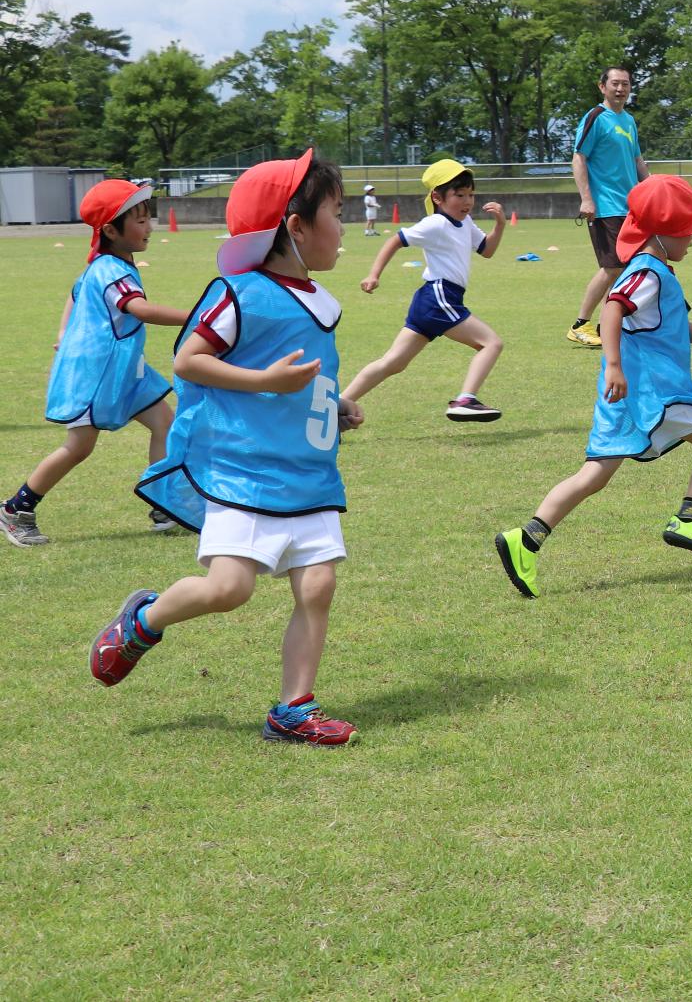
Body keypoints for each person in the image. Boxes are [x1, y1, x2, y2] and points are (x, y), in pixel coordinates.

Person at [109, 150, 362, 746]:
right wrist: (266, 383)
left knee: (318, 586)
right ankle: (143, 621)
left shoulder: (319, 301)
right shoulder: (238, 292)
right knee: (229, 590)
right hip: (245, 471)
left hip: (310, 473)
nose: (344, 225)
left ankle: (293, 707)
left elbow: (305, 374)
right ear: (295, 228)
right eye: (336, 212)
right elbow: (188, 360)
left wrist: (333, 405)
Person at [495, 176, 692, 599]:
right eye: (688, 232)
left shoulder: (656, 271)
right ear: (661, 233)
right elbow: (612, 308)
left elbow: (672, 326)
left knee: (594, 475)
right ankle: (688, 519)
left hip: (624, 395)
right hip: (650, 391)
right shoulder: (646, 272)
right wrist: (614, 365)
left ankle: (527, 538)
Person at [1, 180, 187, 547]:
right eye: (140, 221)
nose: (150, 227)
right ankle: (15, 508)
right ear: (111, 230)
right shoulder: (110, 270)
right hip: (99, 373)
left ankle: (163, 504)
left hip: (125, 369)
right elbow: (141, 309)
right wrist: (199, 315)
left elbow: (74, 293)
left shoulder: (106, 264)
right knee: (79, 446)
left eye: (149, 218)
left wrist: (63, 331)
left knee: (165, 422)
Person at [342, 158, 508, 422]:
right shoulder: (435, 224)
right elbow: (395, 240)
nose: (467, 201)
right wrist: (374, 275)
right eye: (459, 195)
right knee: (491, 343)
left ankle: (338, 405)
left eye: (471, 195)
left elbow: (486, 250)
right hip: (439, 296)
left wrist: (499, 225)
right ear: (438, 197)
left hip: (433, 300)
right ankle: (466, 400)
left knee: (394, 363)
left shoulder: (464, 222)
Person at [569, 66, 649, 349]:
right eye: (615, 83)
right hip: (606, 206)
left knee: (626, 267)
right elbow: (579, 157)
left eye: (625, 84)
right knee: (612, 267)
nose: (620, 89)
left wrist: (652, 191)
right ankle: (580, 324)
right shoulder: (596, 117)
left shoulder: (628, 120)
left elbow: (637, 161)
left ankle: (608, 326)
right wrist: (586, 198)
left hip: (631, 207)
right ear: (602, 86)